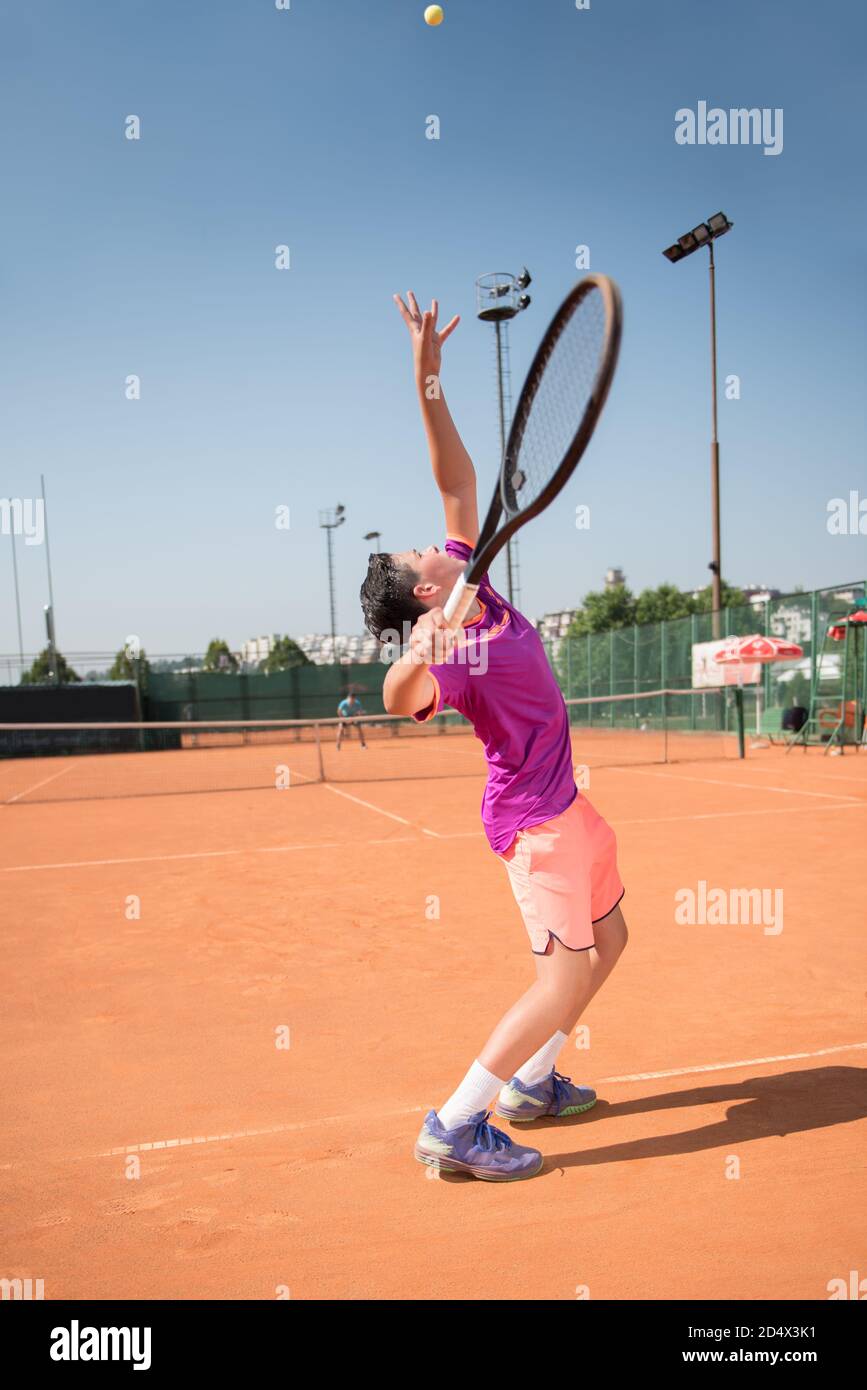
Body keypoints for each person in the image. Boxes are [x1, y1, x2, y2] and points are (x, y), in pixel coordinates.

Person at [358, 292, 628, 1182]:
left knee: (611, 941)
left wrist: (422, 369)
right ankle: (454, 1124)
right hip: (532, 824)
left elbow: (454, 475)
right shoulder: (455, 646)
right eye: (414, 555)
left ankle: (535, 1083)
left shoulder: (470, 573)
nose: (428, 543)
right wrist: (423, 646)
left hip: (569, 806)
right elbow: (397, 699)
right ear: (424, 592)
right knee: (556, 978)